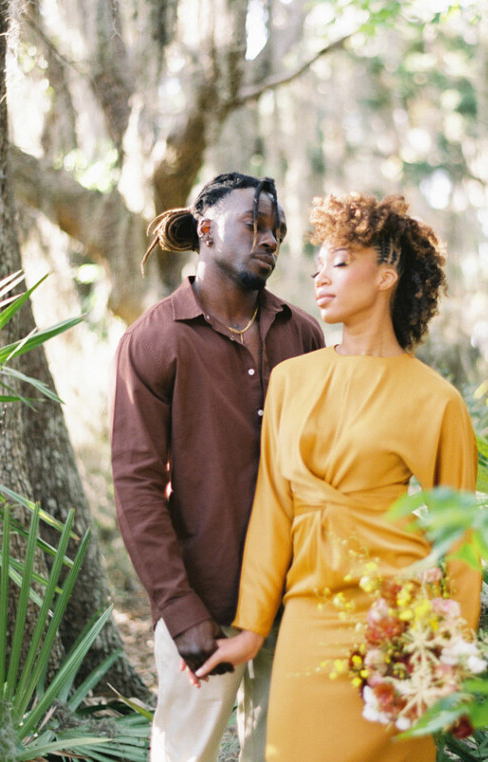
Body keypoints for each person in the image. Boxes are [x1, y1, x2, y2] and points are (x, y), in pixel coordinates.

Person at [196, 192, 482, 761]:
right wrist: (252, 627)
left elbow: (460, 544)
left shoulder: (437, 400)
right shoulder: (291, 380)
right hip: (307, 619)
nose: (320, 274)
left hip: (398, 627)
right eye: (319, 262)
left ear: (387, 275)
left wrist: (453, 661)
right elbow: (274, 509)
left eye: (341, 261)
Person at [110, 172, 325, 762]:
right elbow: (136, 485)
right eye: (252, 225)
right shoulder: (154, 340)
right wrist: (180, 612)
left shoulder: (303, 333)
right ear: (205, 231)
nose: (269, 240)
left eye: (276, 231)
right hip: (204, 602)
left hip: (295, 598)